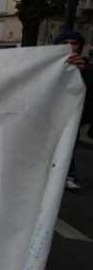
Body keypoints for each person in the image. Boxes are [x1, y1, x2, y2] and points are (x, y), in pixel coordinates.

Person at [53, 30, 93, 191]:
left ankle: (68, 176)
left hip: (71, 118)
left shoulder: (88, 70)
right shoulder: (49, 67)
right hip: (48, 117)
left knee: (67, 148)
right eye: (64, 43)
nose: (69, 46)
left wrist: (81, 72)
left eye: (74, 43)